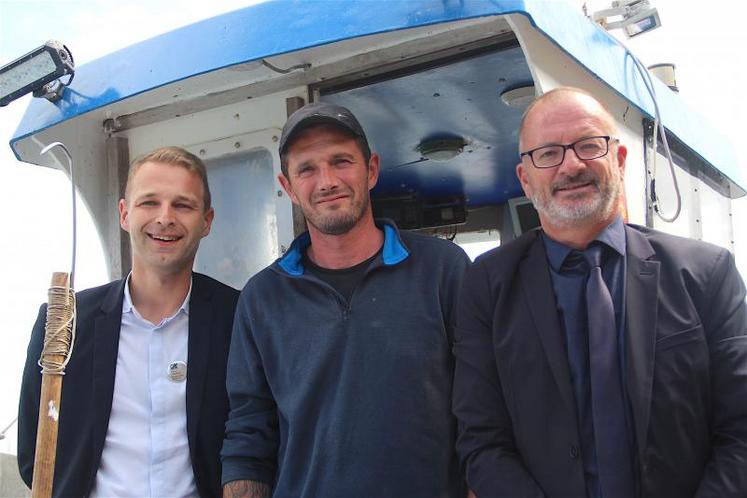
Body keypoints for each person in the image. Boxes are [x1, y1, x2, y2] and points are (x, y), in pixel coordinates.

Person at [452, 87, 747, 497]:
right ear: (525, 177)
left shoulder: (706, 274)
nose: (571, 165)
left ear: (620, 160)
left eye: (589, 146)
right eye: (548, 153)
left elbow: (740, 429)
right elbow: (481, 440)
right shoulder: (487, 285)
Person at [221, 102, 470, 498]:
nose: (327, 181)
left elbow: (481, 405)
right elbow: (250, 429)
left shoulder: (444, 270)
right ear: (287, 188)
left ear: (371, 170)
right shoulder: (261, 297)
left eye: (341, 161)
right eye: (307, 169)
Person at [18, 146, 240, 498]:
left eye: (182, 205)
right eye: (149, 202)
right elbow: (35, 455)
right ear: (124, 214)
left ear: (207, 221)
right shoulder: (64, 323)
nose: (165, 217)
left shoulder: (240, 319)